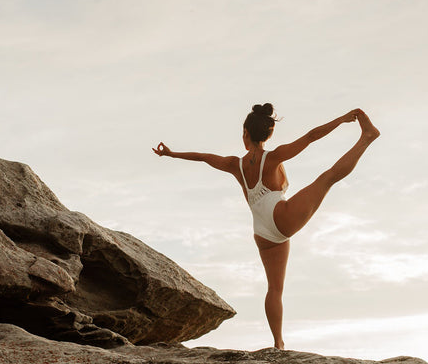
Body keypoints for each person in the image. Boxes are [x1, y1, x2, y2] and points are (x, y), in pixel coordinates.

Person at [153, 104, 379, 349]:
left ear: (245, 134)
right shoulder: (272, 158)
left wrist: (171, 154)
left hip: (262, 234)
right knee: (328, 177)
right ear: (269, 134)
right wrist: (342, 119)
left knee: (274, 289)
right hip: (280, 217)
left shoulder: (234, 165)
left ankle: (278, 343)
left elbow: (204, 158)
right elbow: (311, 137)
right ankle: (367, 138)